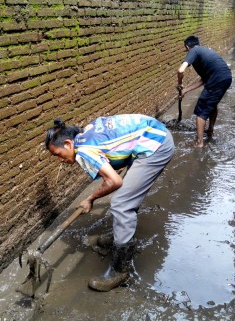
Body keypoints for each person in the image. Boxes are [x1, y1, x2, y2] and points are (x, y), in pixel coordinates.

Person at [45, 114, 174, 292]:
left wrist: (90, 199)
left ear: (68, 144)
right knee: (129, 194)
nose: (60, 160)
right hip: (152, 134)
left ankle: (120, 270)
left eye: (58, 154)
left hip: (155, 144)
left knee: (121, 203)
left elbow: (114, 181)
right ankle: (119, 235)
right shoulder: (84, 134)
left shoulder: (83, 150)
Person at [177, 35, 232, 147]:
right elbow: (203, 80)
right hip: (226, 77)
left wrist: (179, 83)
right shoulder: (205, 52)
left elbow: (180, 70)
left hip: (217, 80)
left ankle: (199, 142)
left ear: (187, 47)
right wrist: (185, 90)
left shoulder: (194, 50)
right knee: (212, 105)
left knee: (201, 112)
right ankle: (210, 130)